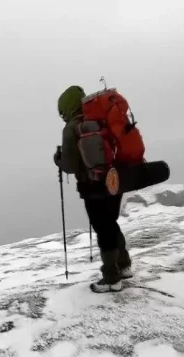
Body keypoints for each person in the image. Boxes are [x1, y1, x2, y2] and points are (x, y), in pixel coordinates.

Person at [53, 85, 133, 293]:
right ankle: (123, 265)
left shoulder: (72, 127)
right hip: (115, 179)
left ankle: (111, 277)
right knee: (110, 222)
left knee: (103, 227)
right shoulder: (101, 117)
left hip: (93, 185)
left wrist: (59, 160)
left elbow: (70, 166)